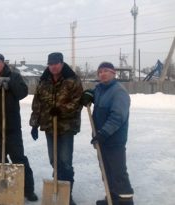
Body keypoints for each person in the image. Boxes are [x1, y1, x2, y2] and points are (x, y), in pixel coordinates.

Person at [0, 53, 38, 201]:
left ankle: (27, 189)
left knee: (18, 158)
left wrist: (10, 84)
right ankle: (1, 189)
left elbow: (23, 93)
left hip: (12, 126)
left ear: (3, 63)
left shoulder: (15, 76)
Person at [29, 52, 83, 205]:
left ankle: (67, 194)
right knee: (54, 160)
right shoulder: (43, 81)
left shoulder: (72, 80)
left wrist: (61, 110)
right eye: (50, 64)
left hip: (66, 127)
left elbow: (77, 102)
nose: (53, 66)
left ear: (61, 63)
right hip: (49, 126)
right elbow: (37, 103)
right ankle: (58, 185)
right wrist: (34, 124)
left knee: (65, 161)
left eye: (56, 63)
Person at [81, 62, 134, 205]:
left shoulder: (119, 92)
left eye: (106, 71)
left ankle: (125, 201)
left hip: (114, 140)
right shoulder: (100, 89)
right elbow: (94, 93)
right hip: (101, 138)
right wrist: (88, 94)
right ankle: (112, 198)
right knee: (106, 170)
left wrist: (103, 133)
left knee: (118, 172)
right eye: (100, 72)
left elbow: (117, 117)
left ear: (113, 73)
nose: (102, 74)